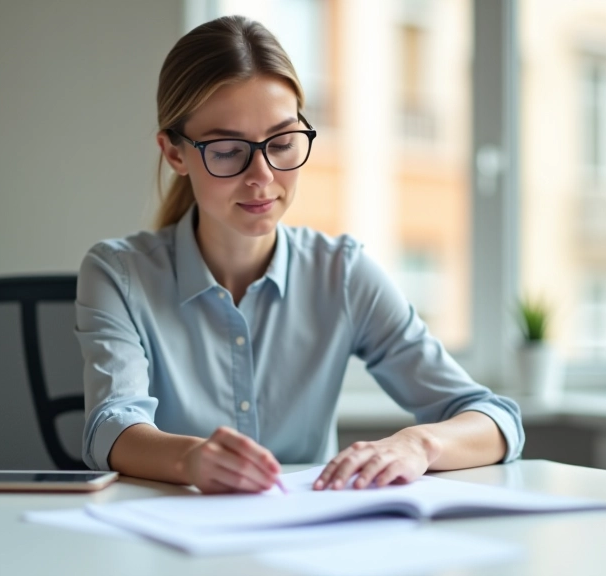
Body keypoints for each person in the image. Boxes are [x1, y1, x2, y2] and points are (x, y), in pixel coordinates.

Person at [76, 15, 523, 494]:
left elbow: (495, 420)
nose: (263, 175)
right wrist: (192, 459)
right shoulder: (118, 274)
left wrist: (419, 444)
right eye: (228, 150)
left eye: (283, 142)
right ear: (175, 154)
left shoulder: (342, 273)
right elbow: (110, 428)